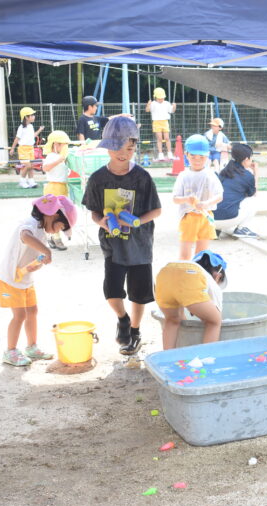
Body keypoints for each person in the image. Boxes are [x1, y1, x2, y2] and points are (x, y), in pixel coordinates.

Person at [81, 117, 162, 356]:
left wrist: (137, 221)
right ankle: (123, 319)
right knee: (112, 291)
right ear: (106, 146)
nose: (123, 153)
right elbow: (94, 211)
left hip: (140, 245)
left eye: (129, 148)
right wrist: (102, 222)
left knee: (139, 294)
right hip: (113, 245)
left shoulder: (142, 177)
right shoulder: (97, 179)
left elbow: (156, 210)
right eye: (117, 147)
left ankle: (134, 333)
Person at [0, 194, 77, 366]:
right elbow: (25, 237)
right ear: (52, 215)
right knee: (19, 315)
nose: (57, 232)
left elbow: (33, 251)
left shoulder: (41, 229)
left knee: (32, 312)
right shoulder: (30, 223)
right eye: (60, 227)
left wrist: (39, 262)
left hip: (24, 278)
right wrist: (46, 251)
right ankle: (10, 351)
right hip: (11, 278)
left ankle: (32, 347)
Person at [155, 250, 228, 350]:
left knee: (172, 320)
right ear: (218, 276)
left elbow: (182, 293)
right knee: (214, 321)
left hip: (164, 273)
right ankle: (206, 358)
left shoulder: (192, 266)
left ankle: (167, 357)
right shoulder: (208, 278)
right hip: (190, 275)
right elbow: (217, 309)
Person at [172, 134, 224, 260]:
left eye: (201, 157)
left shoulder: (210, 174)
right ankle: (184, 276)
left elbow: (219, 195)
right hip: (188, 217)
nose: (197, 160)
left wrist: (206, 203)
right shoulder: (183, 175)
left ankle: (197, 277)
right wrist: (186, 199)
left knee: (202, 254)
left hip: (206, 217)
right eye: (193, 156)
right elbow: (175, 198)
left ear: (207, 156)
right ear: (186, 154)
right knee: (185, 255)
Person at [215, 143, 259, 238]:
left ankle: (216, 230)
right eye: (251, 157)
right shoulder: (247, 175)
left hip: (211, 220)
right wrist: (256, 173)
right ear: (246, 159)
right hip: (229, 219)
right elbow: (254, 193)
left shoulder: (224, 171)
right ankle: (242, 228)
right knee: (252, 199)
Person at [41, 130, 73, 250]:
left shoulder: (62, 157)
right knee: (55, 214)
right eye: (61, 144)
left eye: (65, 145)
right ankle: (57, 239)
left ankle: (51, 237)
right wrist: (60, 159)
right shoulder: (51, 156)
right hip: (53, 187)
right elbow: (45, 168)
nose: (63, 147)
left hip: (62, 187)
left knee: (60, 213)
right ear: (55, 144)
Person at [9, 106, 44, 189]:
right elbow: (17, 139)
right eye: (32, 115)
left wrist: (39, 130)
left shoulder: (31, 127)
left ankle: (31, 181)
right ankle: (22, 181)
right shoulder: (21, 128)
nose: (34, 117)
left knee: (31, 166)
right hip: (23, 149)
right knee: (27, 165)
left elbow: (33, 136)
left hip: (30, 148)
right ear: (26, 117)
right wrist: (12, 148)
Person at [145, 87, 177, 161]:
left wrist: (174, 106)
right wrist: (148, 105)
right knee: (159, 138)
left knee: (167, 138)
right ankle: (160, 154)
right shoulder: (153, 103)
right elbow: (147, 110)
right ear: (155, 97)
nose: (161, 99)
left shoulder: (166, 103)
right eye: (159, 98)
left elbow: (172, 111)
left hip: (165, 121)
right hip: (156, 122)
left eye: (162, 98)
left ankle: (169, 154)